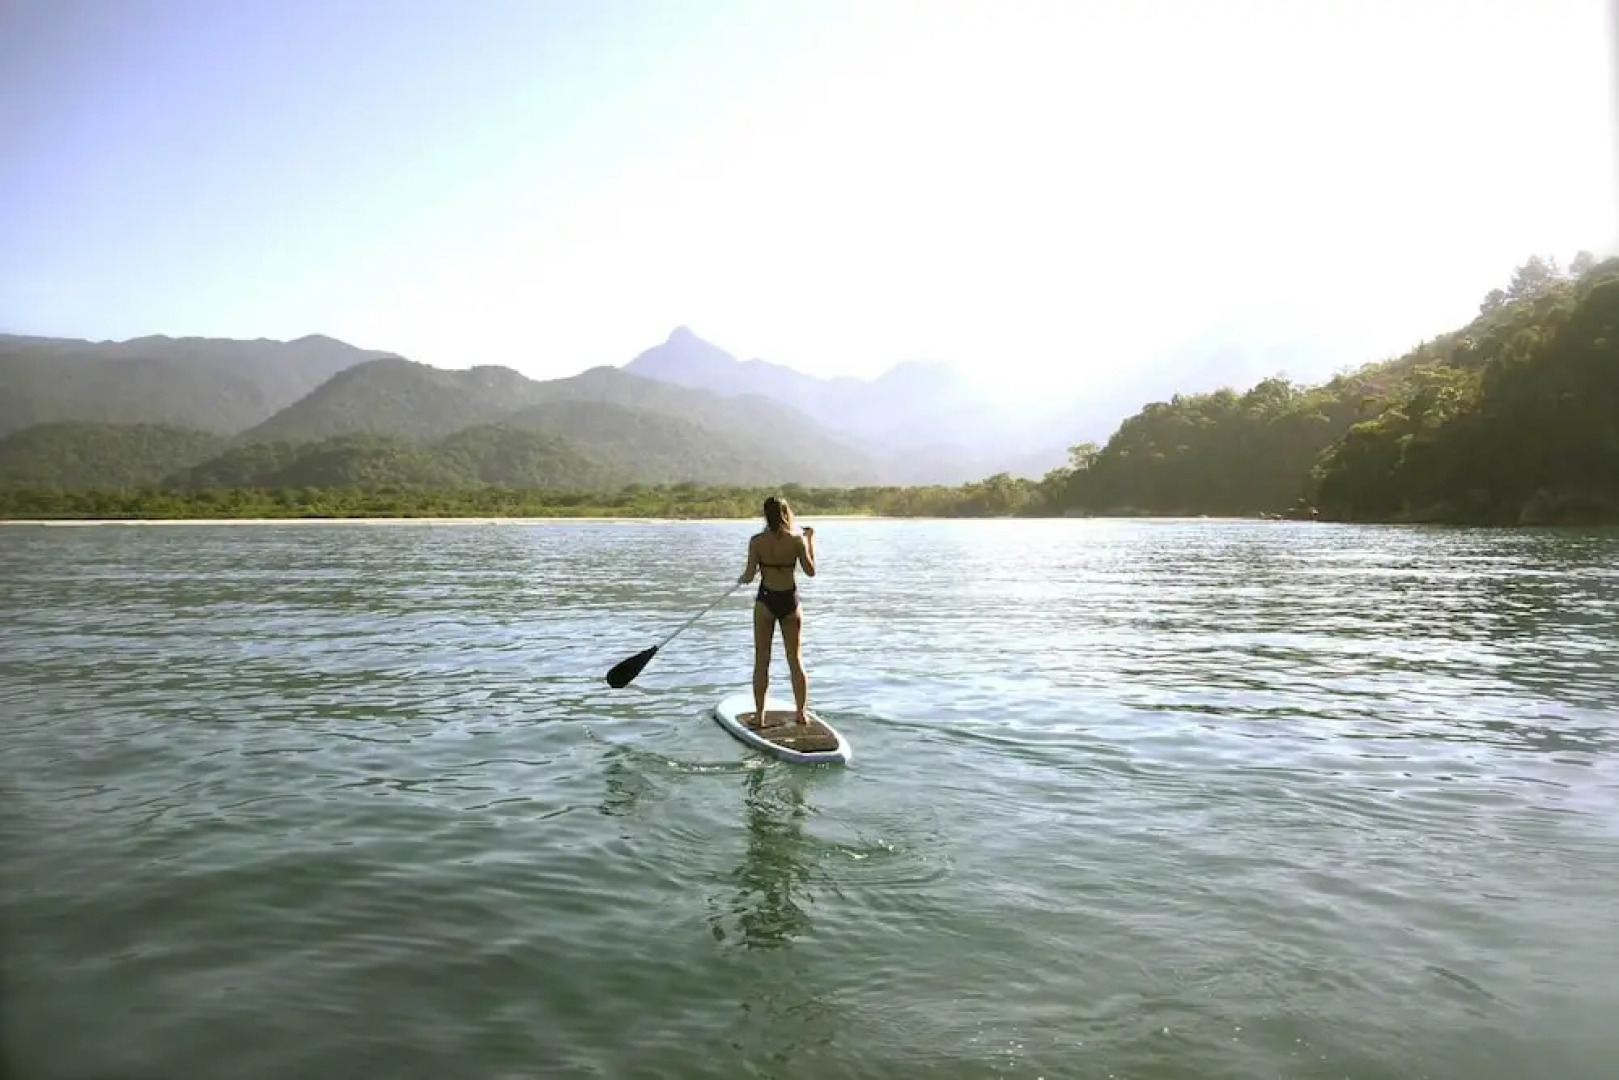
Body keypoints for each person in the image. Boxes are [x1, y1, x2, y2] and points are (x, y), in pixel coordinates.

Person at [737, 495, 816, 728]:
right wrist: (810, 540)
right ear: (785, 514)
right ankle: (801, 713)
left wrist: (743, 578)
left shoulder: (756, 542)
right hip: (790, 601)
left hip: (766, 602)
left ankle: (759, 715)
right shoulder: (797, 540)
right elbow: (811, 571)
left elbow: (749, 575)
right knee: (795, 660)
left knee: (762, 660)